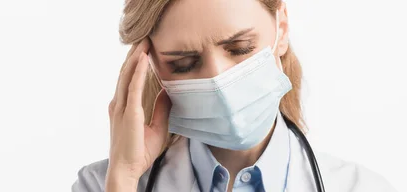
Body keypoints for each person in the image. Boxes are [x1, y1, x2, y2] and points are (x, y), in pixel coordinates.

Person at [72, 0, 396, 191]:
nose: (218, 79)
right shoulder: (103, 186)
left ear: (281, 29)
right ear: (151, 64)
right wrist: (124, 176)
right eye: (184, 63)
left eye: (240, 48)